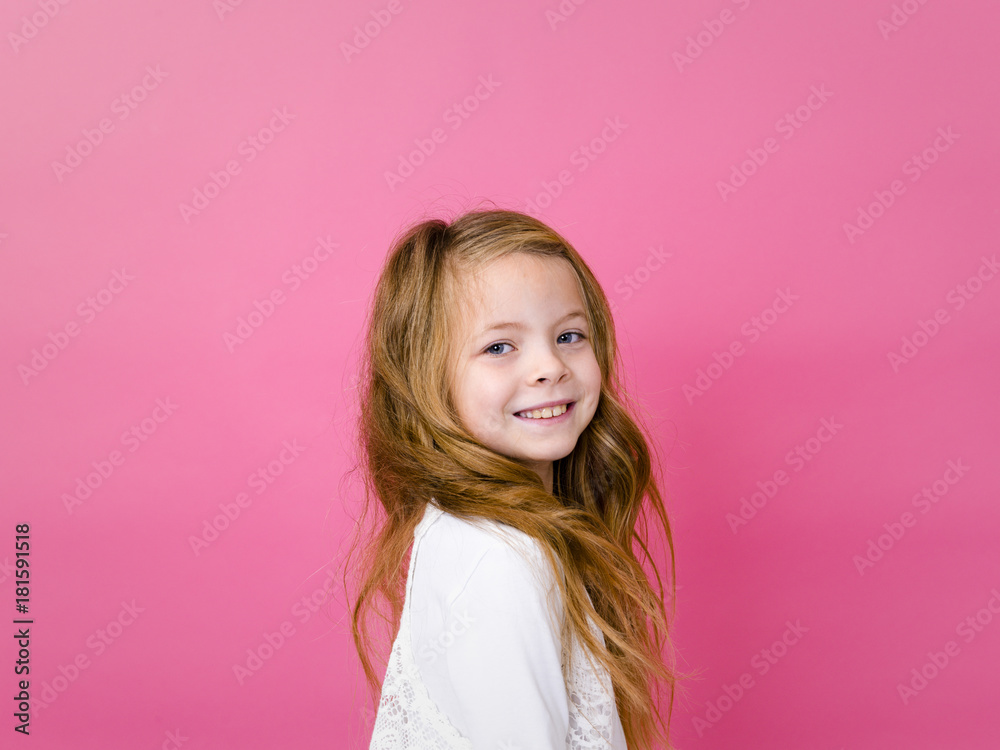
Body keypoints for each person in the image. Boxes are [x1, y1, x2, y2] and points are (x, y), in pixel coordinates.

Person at [343, 205, 679, 750]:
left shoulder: (491, 537)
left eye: (570, 335)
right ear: (426, 379)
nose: (549, 366)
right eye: (500, 347)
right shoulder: (499, 558)